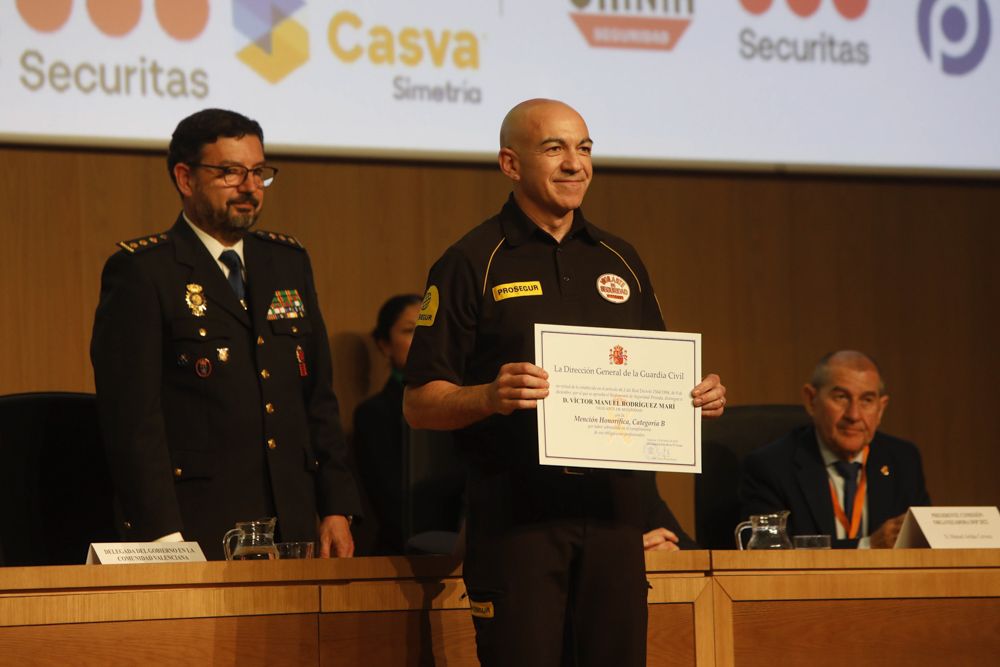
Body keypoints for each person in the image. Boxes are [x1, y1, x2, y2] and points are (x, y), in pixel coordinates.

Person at [402, 99, 726, 667]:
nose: (575, 163)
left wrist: (694, 397)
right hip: (518, 522)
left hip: (614, 520)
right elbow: (419, 403)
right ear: (510, 163)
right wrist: (488, 396)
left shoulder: (620, 258)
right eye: (554, 148)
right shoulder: (471, 260)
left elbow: (657, 374)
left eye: (584, 148)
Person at [91, 108, 361, 560]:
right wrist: (162, 536)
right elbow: (132, 419)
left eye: (258, 173)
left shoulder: (287, 261)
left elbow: (317, 398)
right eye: (230, 172)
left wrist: (336, 506)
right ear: (185, 177)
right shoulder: (143, 270)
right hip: (196, 525)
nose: (250, 187)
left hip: (292, 520)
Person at [739, 350, 930, 549]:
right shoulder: (771, 467)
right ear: (811, 400)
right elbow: (767, 554)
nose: (854, 415)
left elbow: (925, 546)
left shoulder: (903, 460)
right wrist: (867, 546)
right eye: (841, 397)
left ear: (881, 408)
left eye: (867, 400)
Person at [352, 294, 422, 554]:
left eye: (429, 327)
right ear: (384, 344)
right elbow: (392, 507)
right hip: (403, 555)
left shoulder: (464, 401)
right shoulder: (374, 414)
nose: (423, 338)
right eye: (410, 330)